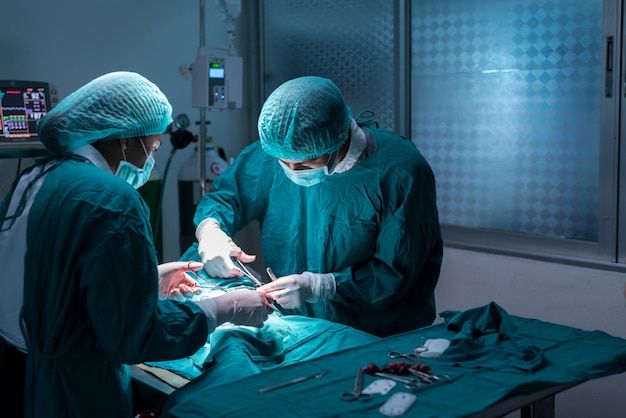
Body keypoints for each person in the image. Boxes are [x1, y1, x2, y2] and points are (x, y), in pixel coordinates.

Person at [0, 71, 273, 418]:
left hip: (15, 371)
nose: (150, 160)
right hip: (73, 389)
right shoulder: (112, 199)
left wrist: (145, 281)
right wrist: (223, 308)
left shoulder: (36, 176)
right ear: (127, 139)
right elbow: (134, 336)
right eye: (153, 147)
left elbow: (47, 279)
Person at [193, 76, 443, 337]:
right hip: (297, 325)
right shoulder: (276, 149)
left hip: (377, 331)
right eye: (284, 162)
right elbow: (226, 197)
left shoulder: (401, 172)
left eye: (306, 162)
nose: (292, 169)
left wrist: (323, 286)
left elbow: (398, 272)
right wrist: (210, 231)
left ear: (339, 139)